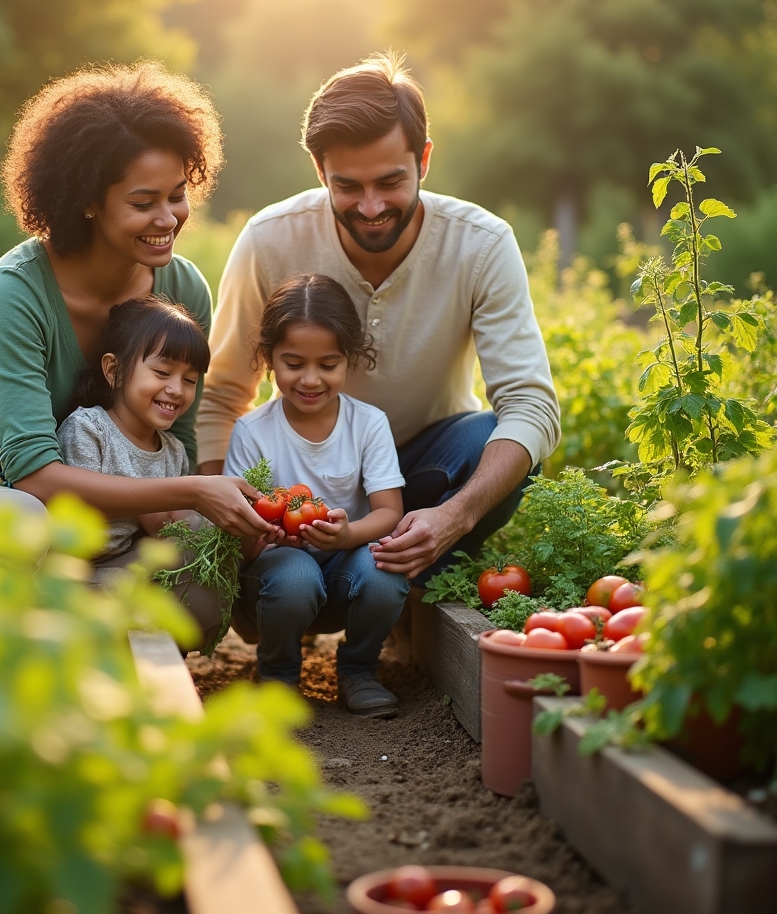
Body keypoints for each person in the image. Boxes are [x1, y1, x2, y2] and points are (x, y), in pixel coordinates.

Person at [197, 51, 560, 594]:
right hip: (300, 485)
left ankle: (411, 584)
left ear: (425, 160)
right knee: (285, 580)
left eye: (390, 182)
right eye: (347, 186)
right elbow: (224, 394)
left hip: (423, 474)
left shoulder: (480, 244)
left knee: (491, 437)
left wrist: (456, 516)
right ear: (319, 171)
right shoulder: (270, 239)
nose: (370, 207)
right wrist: (235, 529)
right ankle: (286, 593)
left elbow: (531, 405)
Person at [0, 62, 275, 543]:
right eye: (143, 203)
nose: (168, 219)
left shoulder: (182, 291)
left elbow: (175, 443)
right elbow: (33, 475)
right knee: (24, 524)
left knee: (199, 587)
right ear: (88, 201)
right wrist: (191, 492)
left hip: (93, 513)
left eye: (178, 195)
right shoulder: (17, 289)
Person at [223, 273, 407, 716]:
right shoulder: (252, 431)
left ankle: (360, 670)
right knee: (293, 576)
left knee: (385, 575)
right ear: (268, 358)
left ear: (350, 359)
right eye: (293, 363)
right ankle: (278, 674)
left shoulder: (368, 424)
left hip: (347, 564)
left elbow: (389, 512)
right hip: (279, 573)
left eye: (328, 365)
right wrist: (263, 536)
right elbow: (239, 532)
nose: (310, 380)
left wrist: (348, 537)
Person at [57, 295, 223, 648]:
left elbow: (172, 538)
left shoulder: (173, 451)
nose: (176, 389)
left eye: (190, 380)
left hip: (129, 573)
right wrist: (150, 508)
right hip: (75, 578)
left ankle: (164, 653)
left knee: (201, 545)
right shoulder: (89, 429)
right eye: (162, 373)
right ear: (114, 370)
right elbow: (74, 515)